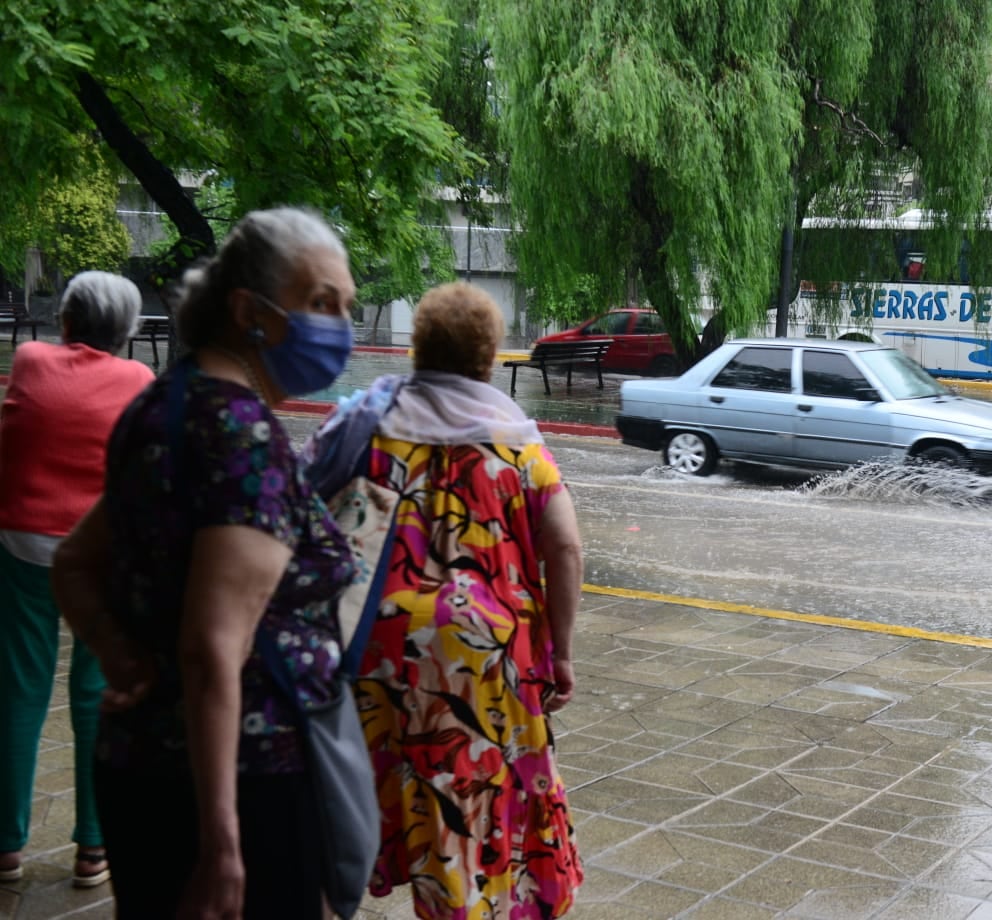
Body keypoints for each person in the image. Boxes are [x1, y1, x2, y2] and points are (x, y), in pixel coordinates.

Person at [51, 207, 358, 918]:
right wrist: (223, 844)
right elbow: (210, 647)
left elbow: (73, 562)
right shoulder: (243, 435)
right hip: (241, 789)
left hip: (138, 764)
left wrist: (124, 657)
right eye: (320, 303)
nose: (339, 324)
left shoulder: (164, 405)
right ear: (249, 310)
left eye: (346, 306)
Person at [303, 281, 584, 920]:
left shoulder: (365, 429)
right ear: (489, 358)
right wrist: (560, 653)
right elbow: (564, 548)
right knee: (466, 800)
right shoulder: (519, 446)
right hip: (487, 655)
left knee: (368, 793)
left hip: (376, 648)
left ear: (415, 349)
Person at [0, 272, 154, 889]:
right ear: (127, 332)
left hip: (22, 543)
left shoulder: (30, 359)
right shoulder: (140, 379)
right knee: (96, 691)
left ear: (65, 321)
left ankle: (7, 847)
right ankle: (94, 848)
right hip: (104, 554)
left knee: (18, 686)